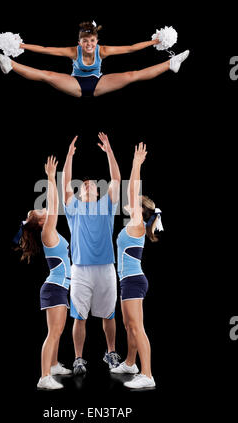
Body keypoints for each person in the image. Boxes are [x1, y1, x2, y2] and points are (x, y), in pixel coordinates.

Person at [0, 21, 190, 97]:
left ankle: (171, 64)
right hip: (75, 85)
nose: (89, 45)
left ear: (97, 41)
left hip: (98, 83)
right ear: (79, 42)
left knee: (132, 75)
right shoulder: (73, 51)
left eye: (92, 41)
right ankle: (10, 64)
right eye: (85, 41)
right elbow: (45, 50)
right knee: (48, 75)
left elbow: (130, 49)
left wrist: (154, 41)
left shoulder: (102, 50)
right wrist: (20, 46)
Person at [62, 133, 121, 374]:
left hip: (106, 267)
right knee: (79, 316)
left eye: (93, 184)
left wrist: (109, 152)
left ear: (99, 192)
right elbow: (65, 182)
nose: (88, 184)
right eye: (84, 184)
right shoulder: (73, 208)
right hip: (80, 269)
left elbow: (116, 179)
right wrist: (68, 157)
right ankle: (78, 358)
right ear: (79, 192)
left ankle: (111, 352)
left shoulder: (107, 205)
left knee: (108, 314)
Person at [14, 156, 72, 390]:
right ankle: (44, 377)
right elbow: (54, 204)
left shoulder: (50, 230)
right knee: (54, 332)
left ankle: (55, 364)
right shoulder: (47, 230)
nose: (45, 209)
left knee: (58, 331)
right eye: (41, 210)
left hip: (59, 286)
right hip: (55, 287)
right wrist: (50, 178)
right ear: (40, 222)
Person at [112, 142, 162, 389]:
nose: (130, 202)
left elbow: (131, 191)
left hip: (133, 281)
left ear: (139, 212)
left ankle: (148, 375)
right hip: (128, 281)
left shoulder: (137, 224)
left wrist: (136, 164)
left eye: (135, 203)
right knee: (127, 325)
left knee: (137, 327)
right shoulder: (135, 226)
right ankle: (130, 363)